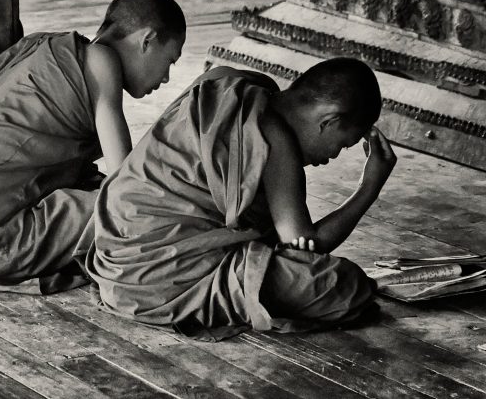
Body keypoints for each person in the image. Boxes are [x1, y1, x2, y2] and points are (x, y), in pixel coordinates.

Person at [86, 58, 396, 339]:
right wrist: (369, 186)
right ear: (328, 121)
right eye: (342, 144)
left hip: (112, 251)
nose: (332, 157)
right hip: (160, 279)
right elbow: (307, 244)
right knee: (342, 285)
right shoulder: (276, 138)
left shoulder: (229, 82)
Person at [0, 0, 186, 293]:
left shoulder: (43, 46)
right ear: (147, 40)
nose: (165, 78)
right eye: (170, 61)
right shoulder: (101, 64)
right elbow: (126, 187)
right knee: (148, 216)